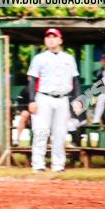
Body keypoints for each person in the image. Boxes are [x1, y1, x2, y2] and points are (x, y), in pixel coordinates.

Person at [27, 28, 81, 174]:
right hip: (43, 98)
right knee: (41, 132)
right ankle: (38, 164)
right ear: (45, 40)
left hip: (63, 99)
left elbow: (75, 80)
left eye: (54, 37)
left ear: (60, 40)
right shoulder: (39, 58)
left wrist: (78, 99)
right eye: (48, 37)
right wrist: (31, 100)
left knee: (60, 133)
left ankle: (58, 165)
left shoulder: (69, 58)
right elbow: (32, 80)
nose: (51, 39)